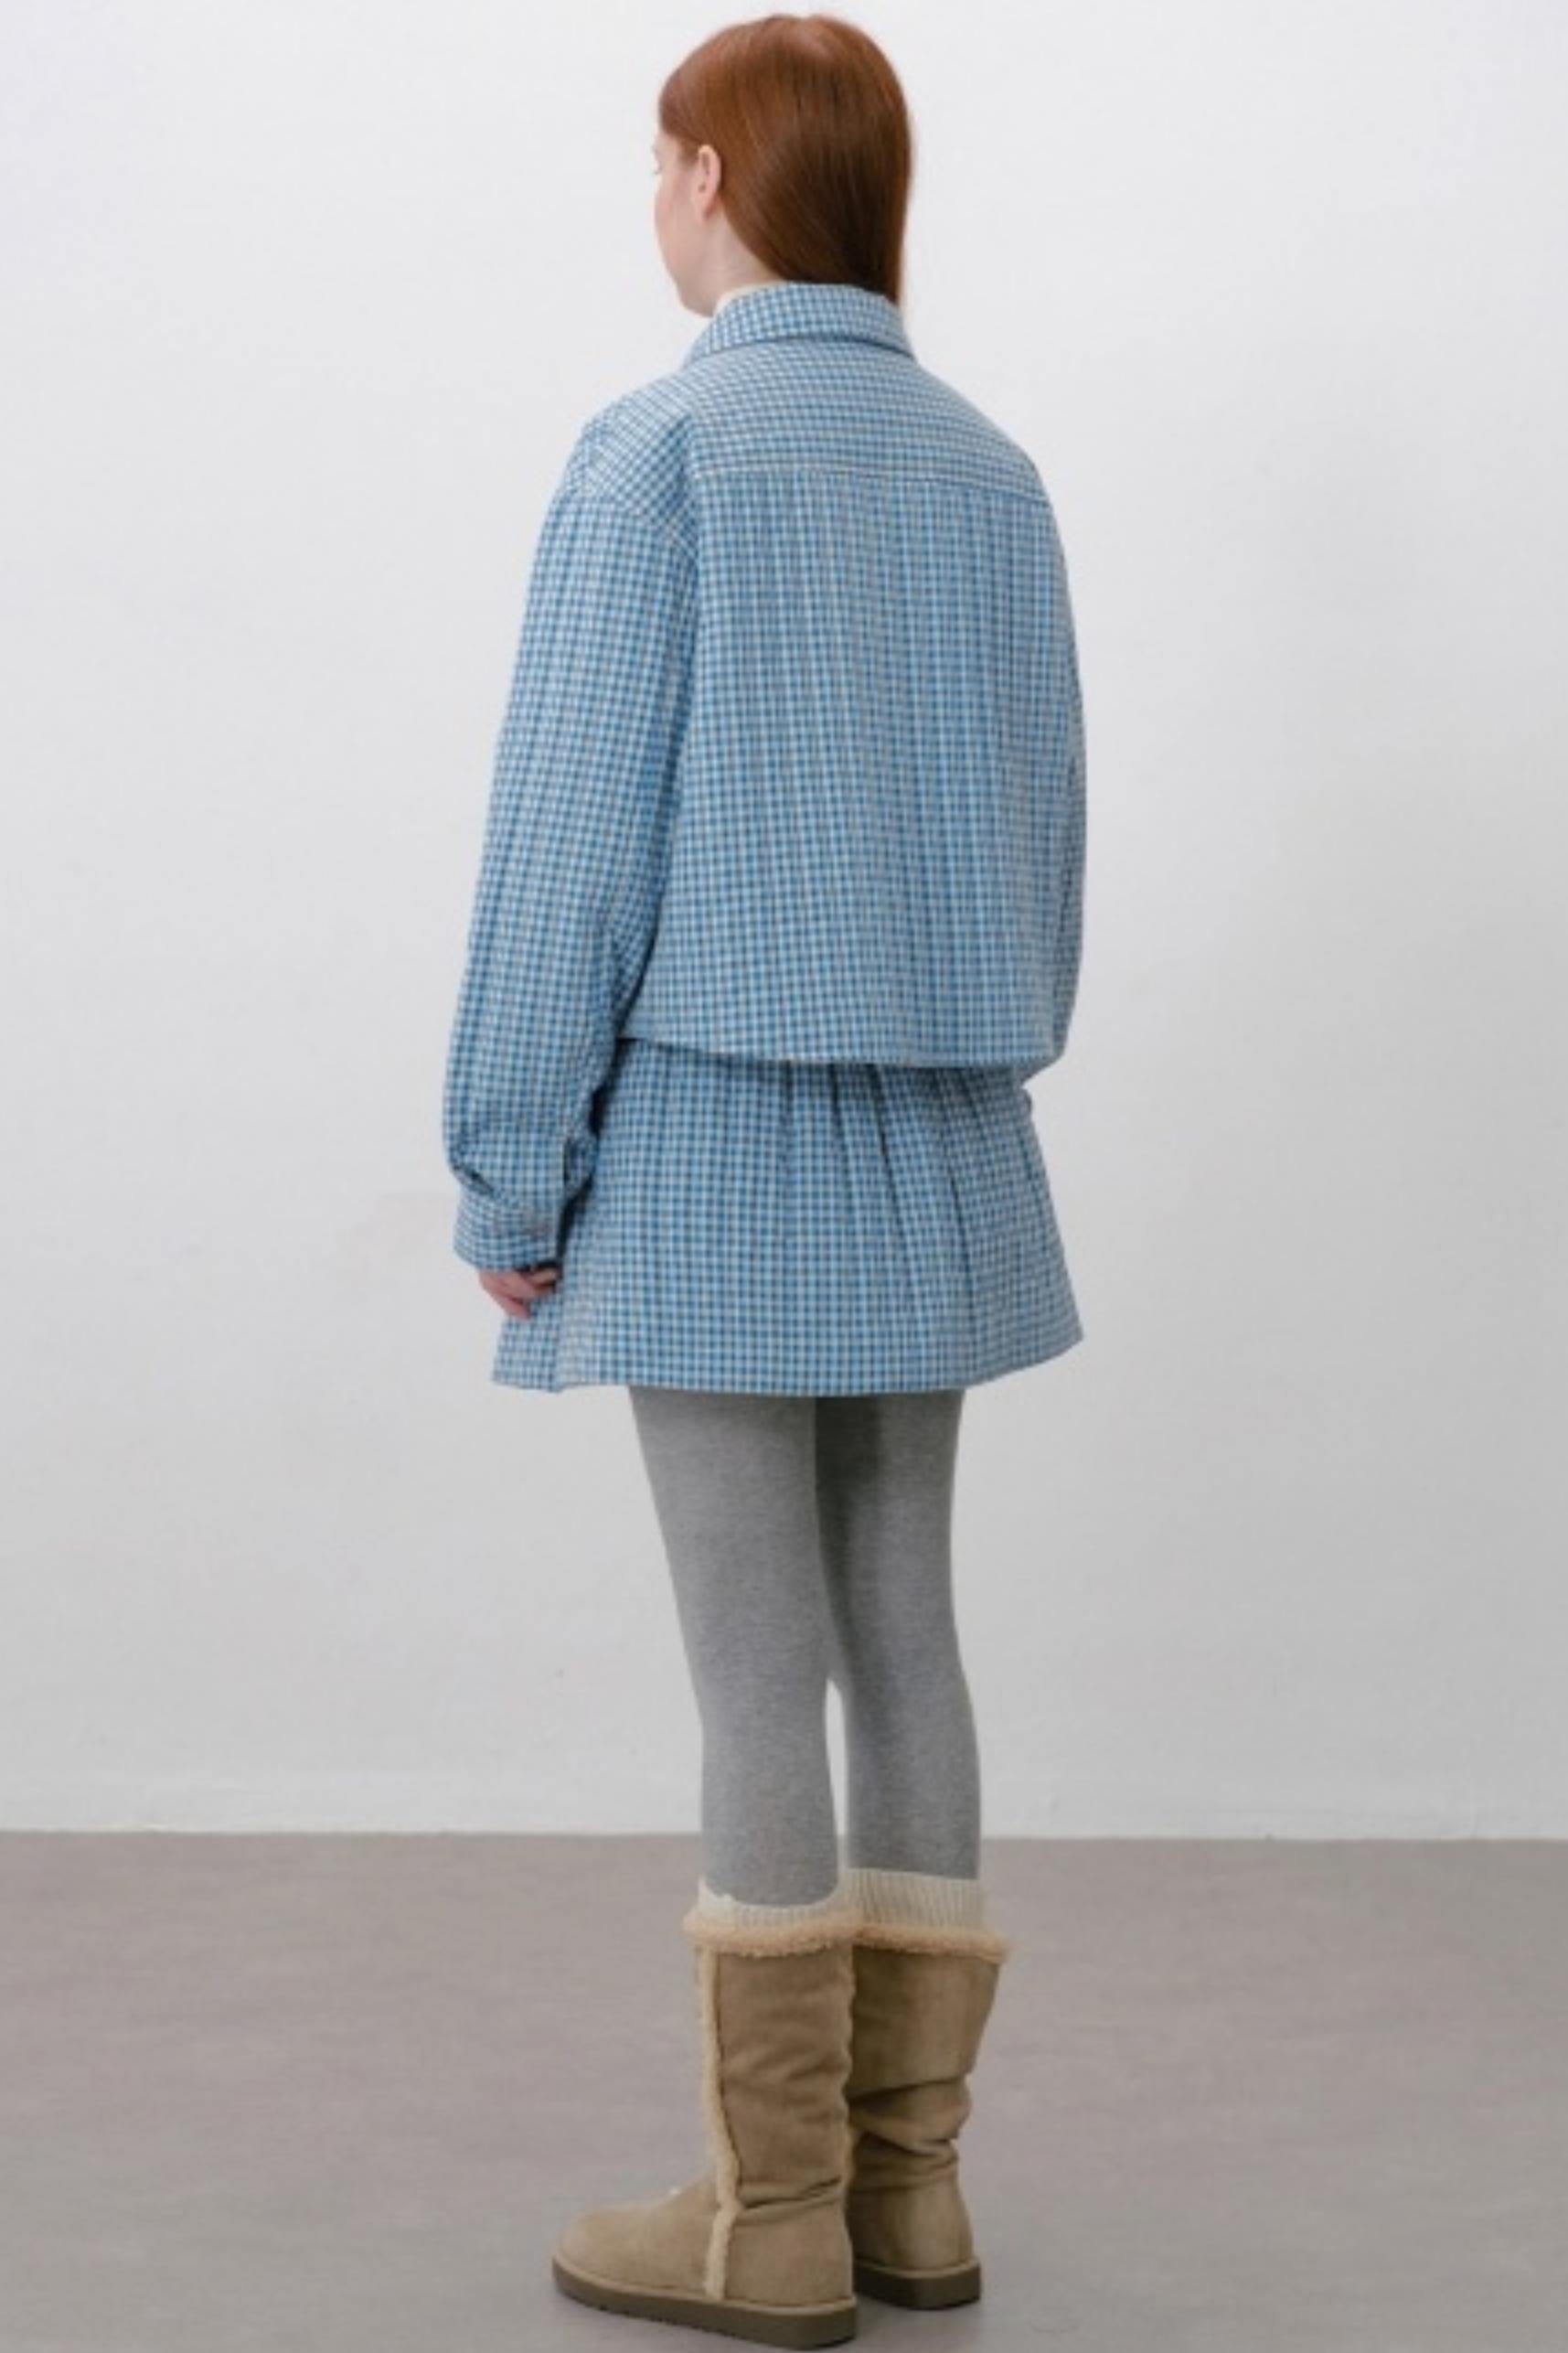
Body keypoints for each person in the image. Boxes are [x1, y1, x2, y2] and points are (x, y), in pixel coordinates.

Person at [441, 15, 1086, 2344]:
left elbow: (568, 846)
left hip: (716, 1136)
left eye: (660, 161)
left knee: (752, 1672)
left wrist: (511, 1166)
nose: (655, 199)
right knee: (905, 1628)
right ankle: (910, 2199)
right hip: (942, 1132)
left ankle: (770, 2215)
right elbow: (1049, 838)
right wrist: (969, 1030)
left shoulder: (661, 453)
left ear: (713, 178)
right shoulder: (991, 471)